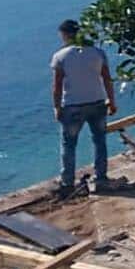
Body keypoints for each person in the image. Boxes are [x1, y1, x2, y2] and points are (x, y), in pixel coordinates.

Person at [51, 19, 116, 198]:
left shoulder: (60, 56)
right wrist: (112, 101)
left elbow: (57, 86)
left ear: (65, 35)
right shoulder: (98, 53)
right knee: (99, 142)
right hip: (97, 102)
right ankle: (101, 178)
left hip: (73, 106)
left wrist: (56, 107)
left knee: (69, 145)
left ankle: (67, 182)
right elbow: (107, 79)